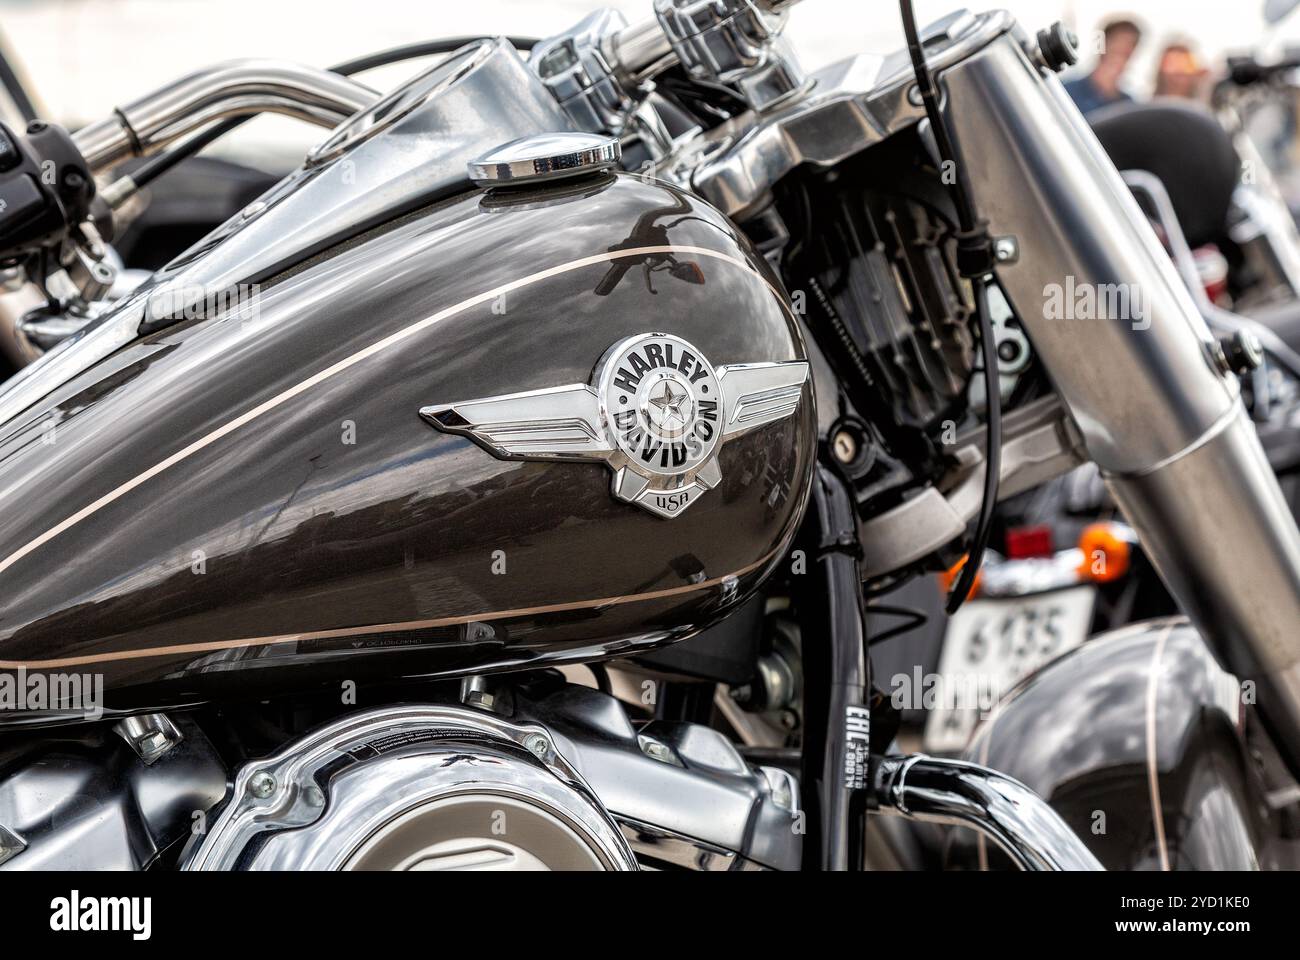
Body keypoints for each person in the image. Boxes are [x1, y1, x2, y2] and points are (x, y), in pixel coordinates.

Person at [1064, 18, 1142, 115]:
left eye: (1126, 52)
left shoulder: (1128, 106)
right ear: (1102, 46)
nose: (1122, 49)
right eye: (1116, 46)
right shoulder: (1067, 91)